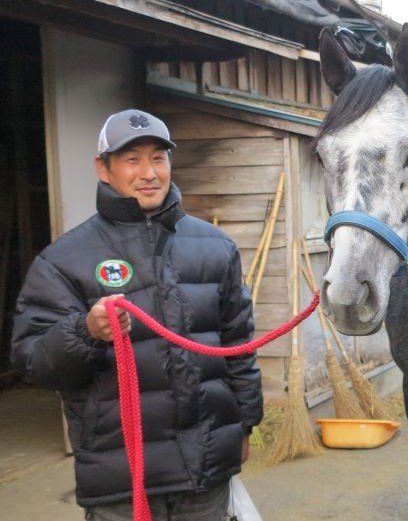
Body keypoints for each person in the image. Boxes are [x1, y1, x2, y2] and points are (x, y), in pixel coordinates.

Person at [11, 109, 261, 520]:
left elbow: (239, 346)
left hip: (206, 467)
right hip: (120, 477)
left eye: (158, 158)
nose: (149, 172)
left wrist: (245, 425)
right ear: (104, 169)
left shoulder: (216, 247)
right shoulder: (62, 261)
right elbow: (36, 362)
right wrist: (84, 332)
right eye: (132, 159)